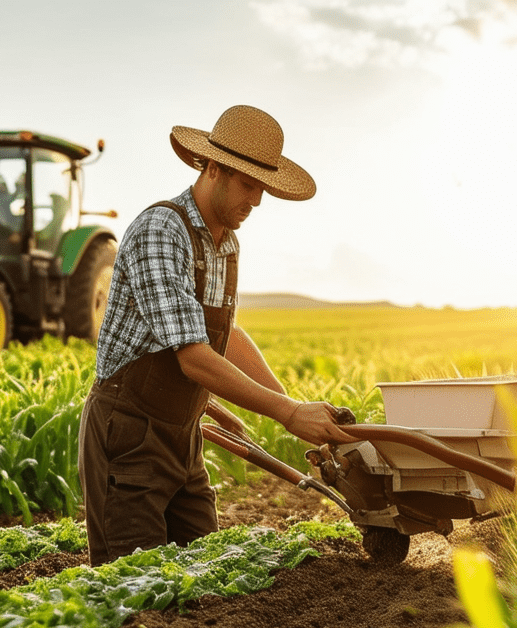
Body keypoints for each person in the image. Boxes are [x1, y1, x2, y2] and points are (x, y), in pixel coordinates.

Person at [78, 105, 355, 565]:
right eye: (249, 185)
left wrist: (291, 404)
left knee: (203, 573)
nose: (257, 200)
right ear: (211, 168)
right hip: (129, 436)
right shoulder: (161, 230)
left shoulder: (226, 241)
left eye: (262, 187)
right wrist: (287, 413)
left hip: (183, 439)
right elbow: (193, 356)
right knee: (132, 585)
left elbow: (226, 332)